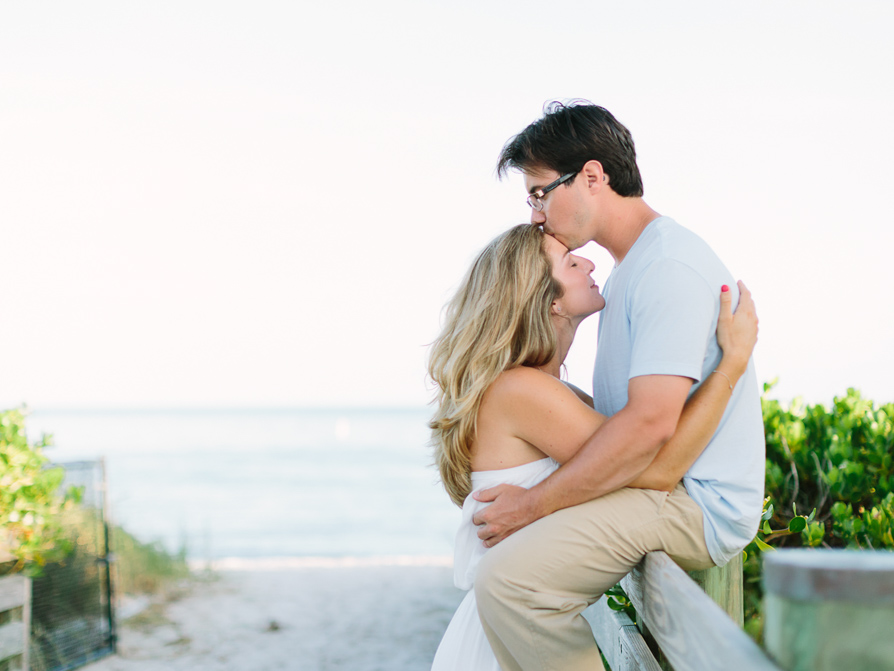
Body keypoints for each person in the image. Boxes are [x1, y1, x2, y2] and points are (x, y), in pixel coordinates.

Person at [428, 223, 758, 670]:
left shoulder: (538, 388)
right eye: (569, 261)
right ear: (550, 300)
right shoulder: (523, 391)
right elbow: (658, 469)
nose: (587, 261)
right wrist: (731, 365)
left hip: (502, 627)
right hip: (512, 627)